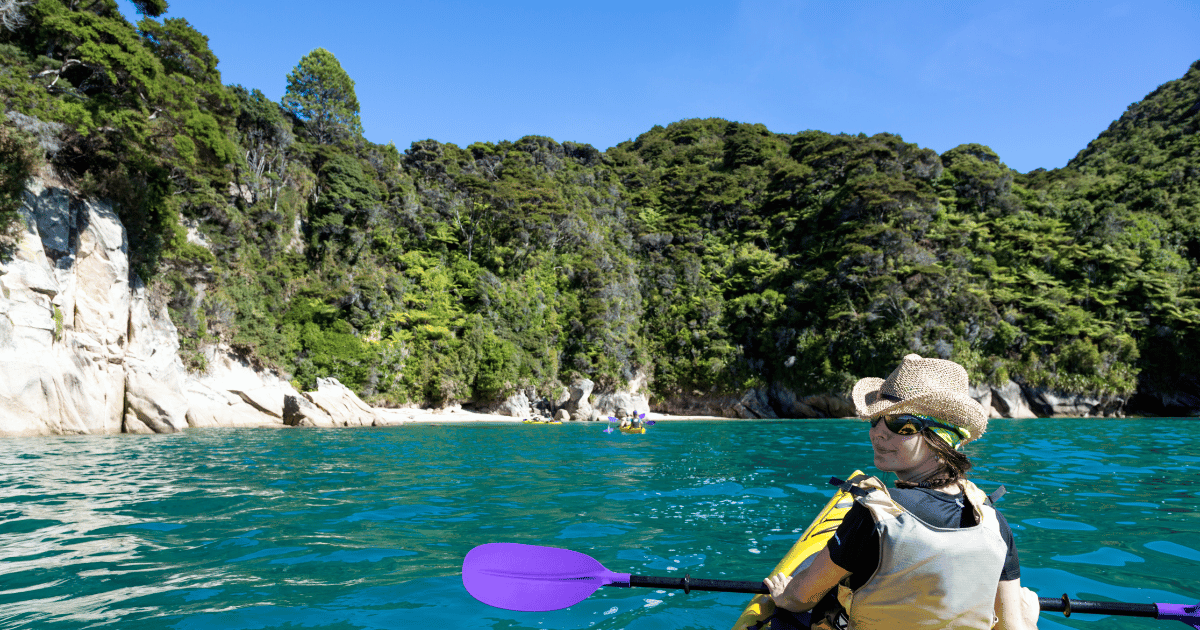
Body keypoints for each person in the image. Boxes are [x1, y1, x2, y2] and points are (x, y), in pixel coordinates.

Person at [763, 354, 1040, 630]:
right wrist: (1027, 620)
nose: (877, 433)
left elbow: (801, 598)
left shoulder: (876, 516)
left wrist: (783, 593)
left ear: (941, 438)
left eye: (901, 424)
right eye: (876, 419)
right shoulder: (995, 524)